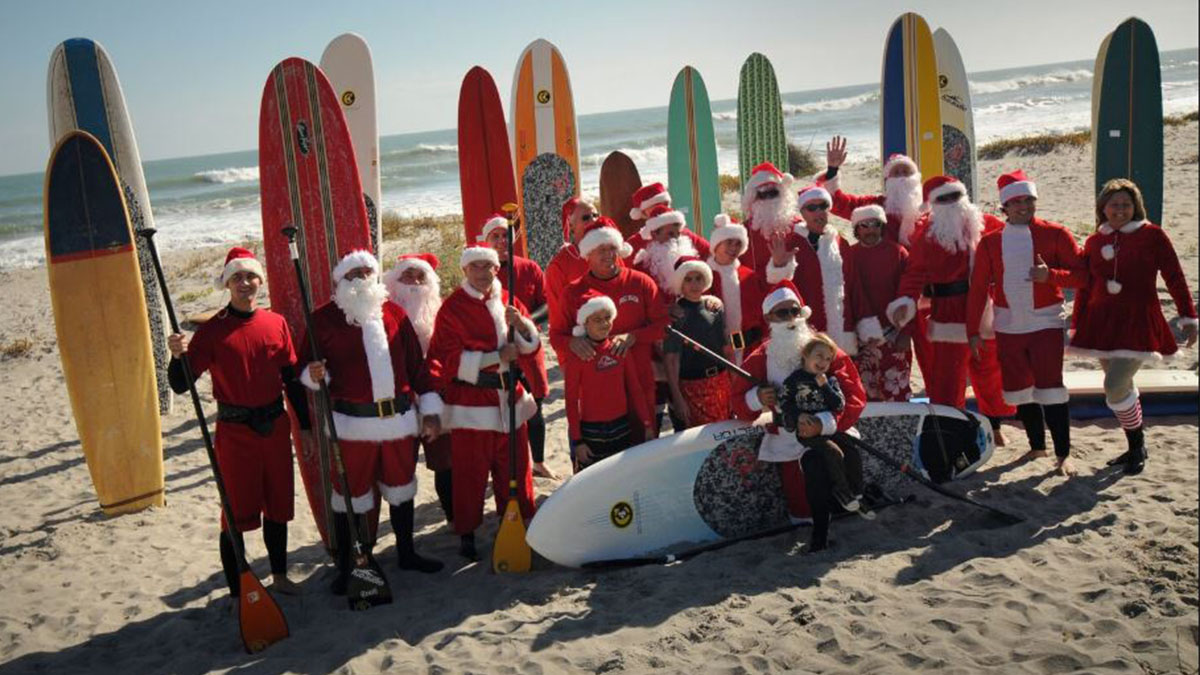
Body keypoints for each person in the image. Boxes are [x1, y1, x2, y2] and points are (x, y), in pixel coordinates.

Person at [166, 247, 306, 599]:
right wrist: (176, 356)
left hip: (275, 427)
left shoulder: (276, 323)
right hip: (235, 433)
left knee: (278, 506)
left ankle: (280, 577)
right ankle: (236, 591)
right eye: (237, 278)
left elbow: (290, 376)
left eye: (250, 277)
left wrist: (304, 422)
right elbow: (181, 384)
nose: (245, 284)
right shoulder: (213, 331)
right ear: (227, 284)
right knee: (235, 514)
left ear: (260, 281)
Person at [300, 251, 444, 591]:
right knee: (350, 496)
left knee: (402, 489)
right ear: (341, 281)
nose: (362, 278)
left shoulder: (394, 314)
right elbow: (304, 367)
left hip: (398, 422)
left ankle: (407, 552)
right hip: (352, 426)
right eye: (354, 274)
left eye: (368, 271)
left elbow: (416, 367)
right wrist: (313, 373)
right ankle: (350, 563)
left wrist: (431, 409)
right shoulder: (322, 320)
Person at [1069, 179, 1198, 474]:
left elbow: (1175, 277)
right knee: (1122, 385)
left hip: (1138, 321)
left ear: (1135, 206)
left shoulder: (1153, 236)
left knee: (1114, 386)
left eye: (1126, 204)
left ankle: (1137, 443)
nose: (1120, 210)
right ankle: (1134, 446)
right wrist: (1079, 325)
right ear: (1103, 207)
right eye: (1114, 204)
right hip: (1102, 323)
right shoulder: (1094, 241)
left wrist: (1188, 318)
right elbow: (1085, 288)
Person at [425, 246, 542, 560]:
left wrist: (522, 326)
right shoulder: (451, 308)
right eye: (475, 267)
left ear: (495, 269)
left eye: (487, 266)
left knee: (516, 468)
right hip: (472, 401)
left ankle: (517, 520)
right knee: (470, 472)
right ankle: (467, 530)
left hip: (509, 399)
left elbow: (530, 347)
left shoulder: (509, 301)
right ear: (465, 271)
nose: (482, 273)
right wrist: (493, 358)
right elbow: (444, 358)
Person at [731, 282, 867, 552]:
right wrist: (758, 398)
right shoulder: (759, 357)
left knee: (842, 481)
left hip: (829, 431)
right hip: (789, 439)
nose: (791, 318)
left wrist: (823, 424)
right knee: (802, 509)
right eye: (783, 314)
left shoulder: (825, 349)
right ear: (769, 318)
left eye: (795, 311)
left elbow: (854, 395)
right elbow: (737, 401)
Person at [967, 170, 1086, 476]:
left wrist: (1052, 277)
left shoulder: (1056, 233)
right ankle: (1037, 446)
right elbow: (979, 288)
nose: (1024, 206)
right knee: (1021, 390)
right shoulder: (990, 243)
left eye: (1029, 200)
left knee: (1051, 388)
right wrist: (972, 331)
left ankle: (1063, 455)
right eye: (1016, 201)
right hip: (1008, 326)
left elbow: (1083, 276)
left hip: (1045, 323)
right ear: (1004, 207)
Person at [887, 176, 1015, 441]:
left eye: (954, 196)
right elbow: (914, 274)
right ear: (933, 204)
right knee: (949, 376)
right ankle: (952, 429)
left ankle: (995, 425)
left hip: (983, 307)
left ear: (964, 196)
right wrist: (906, 301)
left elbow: (1017, 242)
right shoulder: (926, 235)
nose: (950, 204)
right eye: (942, 199)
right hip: (948, 312)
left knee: (990, 371)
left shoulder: (987, 224)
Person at [552, 218, 671, 441]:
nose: (608, 255)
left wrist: (633, 336)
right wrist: (572, 342)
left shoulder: (640, 282)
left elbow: (664, 326)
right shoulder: (573, 292)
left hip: (639, 380)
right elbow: (556, 336)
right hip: (596, 393)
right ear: (587, 255)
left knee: (641, 450)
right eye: (600, 250)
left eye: (612, 249)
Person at [478, 214, 554, 479]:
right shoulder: (479, 271)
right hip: (497, 353)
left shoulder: (530, 268)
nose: (501, 241)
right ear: (486, 240)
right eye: (495, 237)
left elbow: (547, 304)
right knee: (501, 410)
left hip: (528, 348)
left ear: (514, 238)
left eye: (505, 236)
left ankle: (540, 462)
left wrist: (524, 324)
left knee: (535, 406)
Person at [384, 252, 454, 524]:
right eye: (407, 275)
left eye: (420, 275)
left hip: (437, 395)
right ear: (394, 280)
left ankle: (452, 517)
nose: (413, 281)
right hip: (398, 401)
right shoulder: (384, 314)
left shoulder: (442, 310)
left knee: (444, 461)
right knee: (401, 469)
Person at [563, 290, 654, 471]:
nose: (604, 324)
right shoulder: (577, 357)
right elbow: (571, 401)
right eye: (597, 320)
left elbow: (635, 389)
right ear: (585, 323)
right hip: (591, 431)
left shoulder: (619, 349)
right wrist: (577, 441)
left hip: (621, 426)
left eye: (607, 318)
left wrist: (647, 423)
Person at [765, 183, 860, 354]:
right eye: (811, 207)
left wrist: (863, 325)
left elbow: (854, 287)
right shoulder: (791, 244)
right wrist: (779, 266)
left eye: (823, 206)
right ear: (802, 213)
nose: (818, 212)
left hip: (843, 332)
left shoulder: (841, 243)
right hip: (807, 332)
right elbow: (781, 292)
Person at [778, 333, 865, 514]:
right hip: (806, 431)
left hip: (827, 426)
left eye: (828, 358)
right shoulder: (794, 380)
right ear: (805, 354)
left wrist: (825, 386)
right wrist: (799, 415)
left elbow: (839, 405)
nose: (823, 362)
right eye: (819, 355)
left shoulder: (830, 379)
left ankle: (857, 492)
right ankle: (841, 492)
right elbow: (784, 403)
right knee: (833, 452)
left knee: (852, 450)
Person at [846, 205, 913, 402]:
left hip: (894, 335)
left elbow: (910, 296)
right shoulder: (849, 255)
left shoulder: (898, 253)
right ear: (857, 229)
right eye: (864, 225)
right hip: (862, 339)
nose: (870, 229)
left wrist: (907, 332)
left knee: (897, 392)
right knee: (865, 394)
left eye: (875, 224)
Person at [664, 256, 731, 429]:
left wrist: (735, 380)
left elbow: (728, 343)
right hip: (692, 388)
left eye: (698, 278)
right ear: (680, 283)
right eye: (688, 279)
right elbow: (671, 360)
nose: (694, 284)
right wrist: (678, 398)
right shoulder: (676, 315)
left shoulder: (715, 308)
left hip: (721, 382)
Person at [819, 136, 924, 246]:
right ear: (888, 180)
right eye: (896, 173)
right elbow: (838, 203)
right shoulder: (876, 206)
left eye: (906, 172)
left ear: (916, 177)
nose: (902, 177)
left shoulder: (930, 206)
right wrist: (832, 169)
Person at [706, 214, 770, 365]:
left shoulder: (749, 276)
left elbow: (761, 315)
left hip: (748, 347)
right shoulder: (703, 274)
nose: (734, 248)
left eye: (738, 244)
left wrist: (736, 344)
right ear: (717, 243)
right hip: (713, 350)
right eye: (729, 242)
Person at [545, 197, 602, 322]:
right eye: (586, 218)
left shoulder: (611, 252)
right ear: (571, 225)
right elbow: (557, 313)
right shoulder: (559, 265)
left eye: (596, 215)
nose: (593, 221)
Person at [625, 183, 711, 264]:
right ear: (643, 213)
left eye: (665, 204)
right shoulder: (635, 243)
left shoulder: (685, 234)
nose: (662, 209)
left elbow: (711, 254)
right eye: (655, 206)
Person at [631, 202, 704, 297]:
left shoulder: (692, 259)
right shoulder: (642, 268)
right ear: (654, 235)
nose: (676, 239)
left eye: (678, 233)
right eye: (670, 234)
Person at [739, 162, 799, 271]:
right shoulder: (743, 232)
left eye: (773, 193)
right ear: (753, 199)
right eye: (762, 195)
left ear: (783, 194)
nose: (768, 199)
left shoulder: (799, 227)